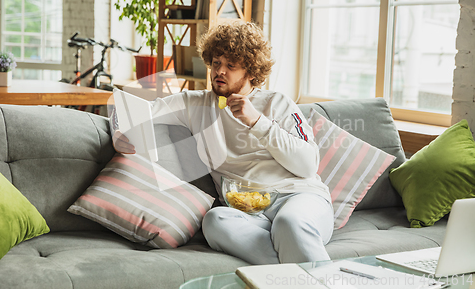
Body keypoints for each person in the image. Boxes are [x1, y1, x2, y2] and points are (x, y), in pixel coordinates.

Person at [112, 21, 334, 265]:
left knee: (289, 222)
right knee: (214, 221)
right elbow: (131, 109)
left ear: (250, 71)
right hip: (247, 212)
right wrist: (118, 131)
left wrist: (258, 122)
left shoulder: (277, 103)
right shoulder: (194, 104)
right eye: (216, 63)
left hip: (299, 199)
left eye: (231, 66)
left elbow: (307, 166)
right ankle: (292, 270)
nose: (220, 71)